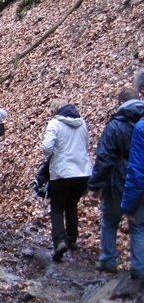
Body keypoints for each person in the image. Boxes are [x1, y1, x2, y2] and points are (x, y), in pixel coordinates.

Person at [88, 89, 143, 273]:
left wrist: (95, 186)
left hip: (116, 181)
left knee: (110, 221)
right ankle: (138, 268)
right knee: (138, 226)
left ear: (120, 103)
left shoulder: (114, 126)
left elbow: (104, 158)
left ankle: (108, 261)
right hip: (140, 181)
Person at [41, 99, 93, 262]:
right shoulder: (82, 123)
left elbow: (46, 148)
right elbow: (86, 145)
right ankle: (72, 239)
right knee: (72, 205)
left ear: (55, 110)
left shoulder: (55, 124)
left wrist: (57, 151)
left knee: (56, 208)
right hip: (83, 172)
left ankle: (59, 241)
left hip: (62, 172)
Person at [120, 107, 144, 281]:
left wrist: (128, 205)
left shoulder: (141, 128)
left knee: (138, 227)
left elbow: (136, 169)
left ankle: (139, 273)